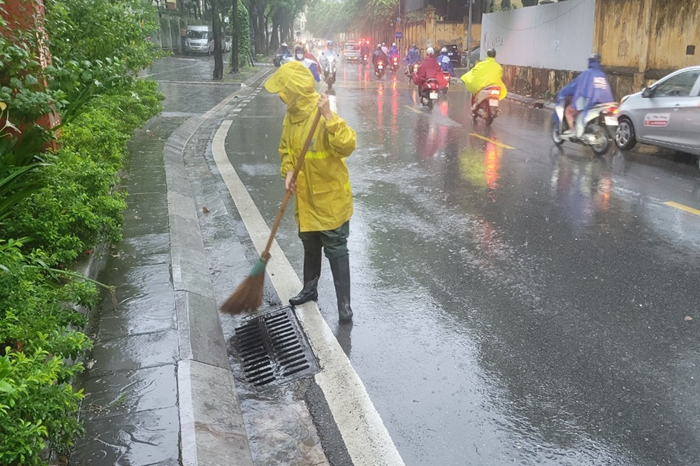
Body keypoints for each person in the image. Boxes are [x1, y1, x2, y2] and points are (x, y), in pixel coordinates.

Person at [264, 61, 357, 322]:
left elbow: (348, 145)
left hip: (330, 199)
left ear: (294, 92)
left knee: (336, 248)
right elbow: (286, 149)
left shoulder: (322, 112)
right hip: (305, 197)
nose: (282, 98)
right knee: (309, 243)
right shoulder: (291, 117)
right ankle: (309, 289)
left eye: (284, 92)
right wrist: (289, 172)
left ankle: (344, 305)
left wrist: (329, 117)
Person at [559, 53, 614, 135]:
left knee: (568, 111)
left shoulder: (587, 73)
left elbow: (574, 85)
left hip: (590, 102)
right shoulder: (602, 75)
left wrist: (563, 92)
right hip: (605, 103)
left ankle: (572, 130)